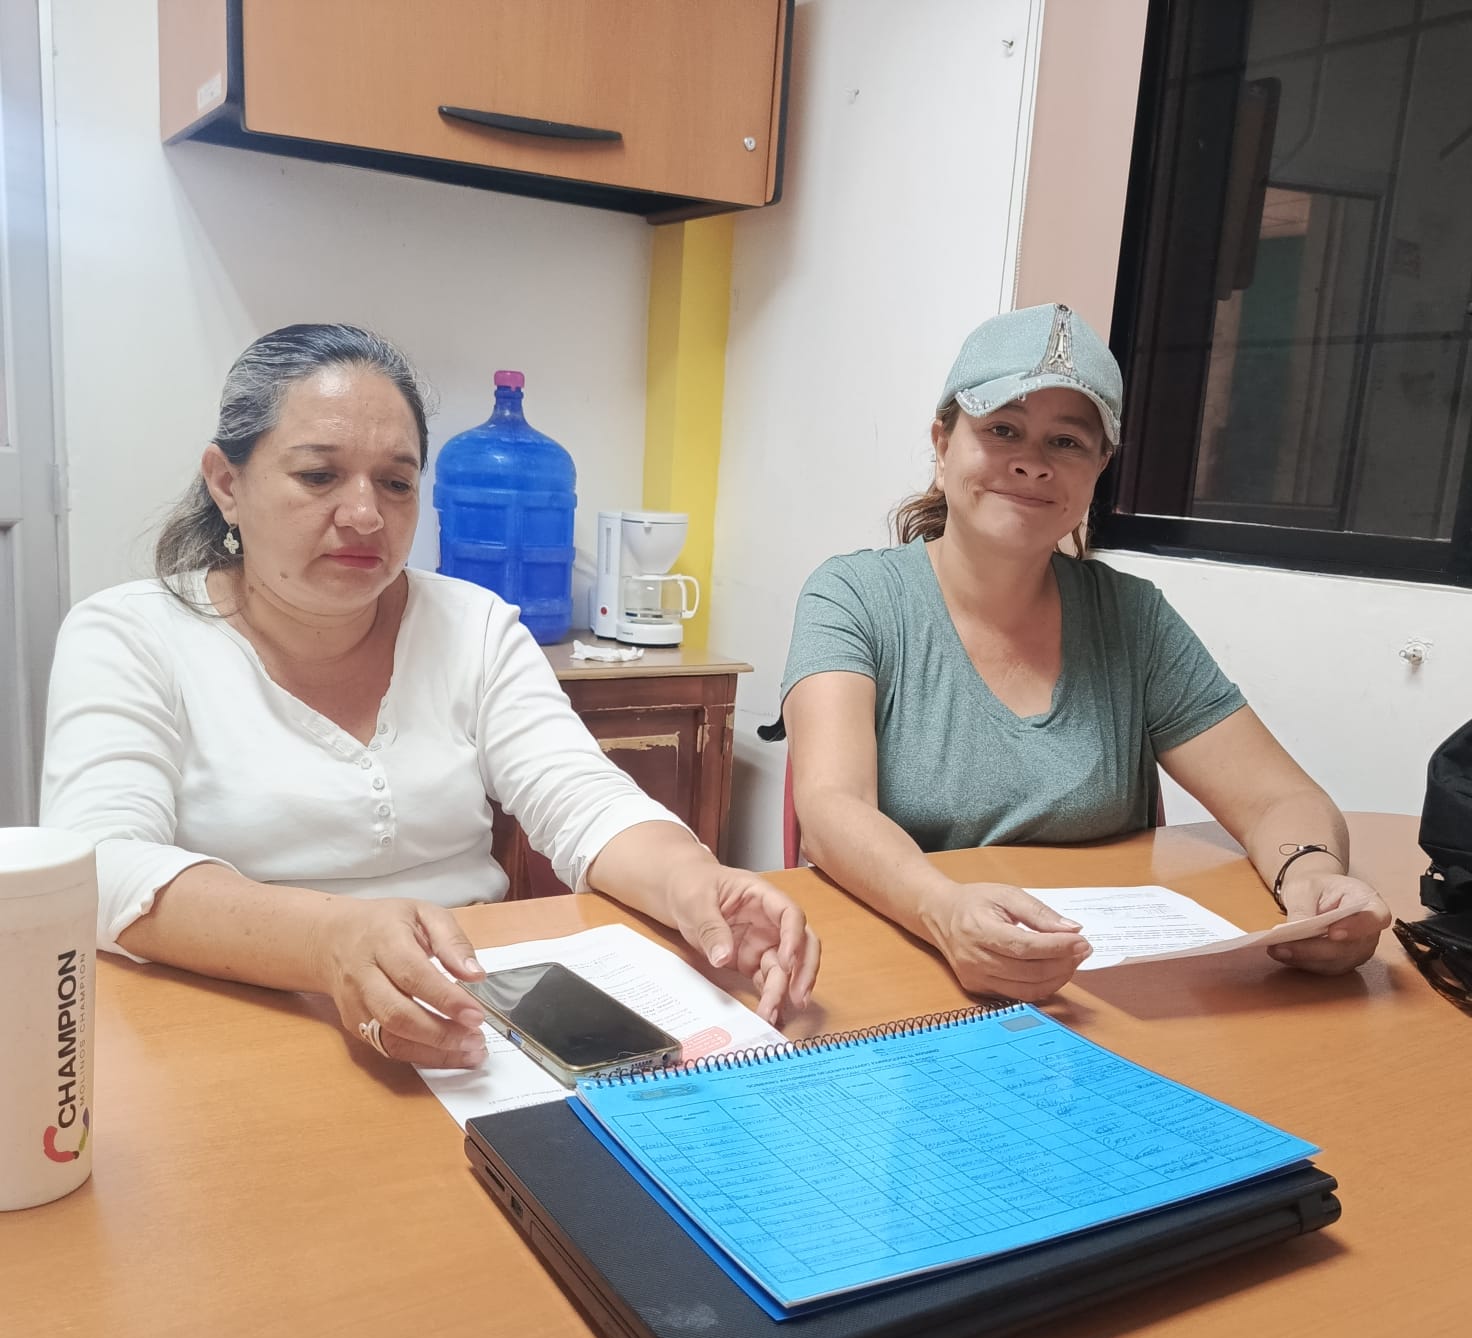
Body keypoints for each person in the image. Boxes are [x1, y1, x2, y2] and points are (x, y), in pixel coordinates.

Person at [41, 324, 819, 1067]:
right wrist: (327, 941)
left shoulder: (473, 625)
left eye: (396, 483)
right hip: (230, 1022)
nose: (365, 515)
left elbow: (582, 799)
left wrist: (695, 883)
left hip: (464, 1014)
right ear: (227, 483)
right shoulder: (130, 635)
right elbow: (99, 864)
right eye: (318, 476)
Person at [774, 302, 1389, 1003]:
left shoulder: (1133, 618)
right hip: (908, 968)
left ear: (1100, 468)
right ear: (943, 445)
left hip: (1094, 987)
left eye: (1066, 442)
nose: (1032, 463)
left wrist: (1313, 878)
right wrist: (943, 911)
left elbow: (1280, 796)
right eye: (1002, 429)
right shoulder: (853, 596)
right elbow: (832, 807)